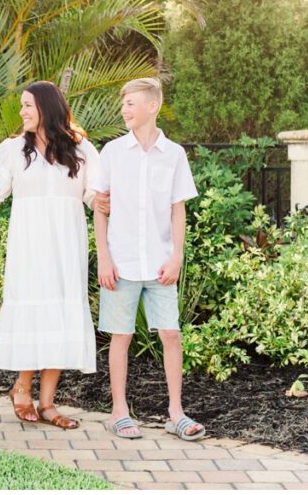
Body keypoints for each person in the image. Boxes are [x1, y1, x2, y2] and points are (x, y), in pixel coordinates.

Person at [0, 82, 102, 429]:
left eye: (28, 105)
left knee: (59, 315)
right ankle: (22, 388)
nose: (22, 111)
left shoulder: (81, 148)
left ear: (47, 107)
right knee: (34, 313)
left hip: (66, 246)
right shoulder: (12, 150)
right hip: (29, 246)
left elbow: (94, 197)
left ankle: (48, 403)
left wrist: (115, 203)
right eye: (21, 106)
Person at [89, 77, 205, 441]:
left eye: (131, 103)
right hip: (121, 263)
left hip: (159, 263)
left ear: (152, 106)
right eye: (123, 103)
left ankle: (176, 413)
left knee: (170, 333)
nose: (124, 109)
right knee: (120, 336)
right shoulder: (111, 153)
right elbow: (100, 207)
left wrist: (177, 258)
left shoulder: (174, 155)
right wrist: (103, 258)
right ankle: (119, 412)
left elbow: (178, 209)